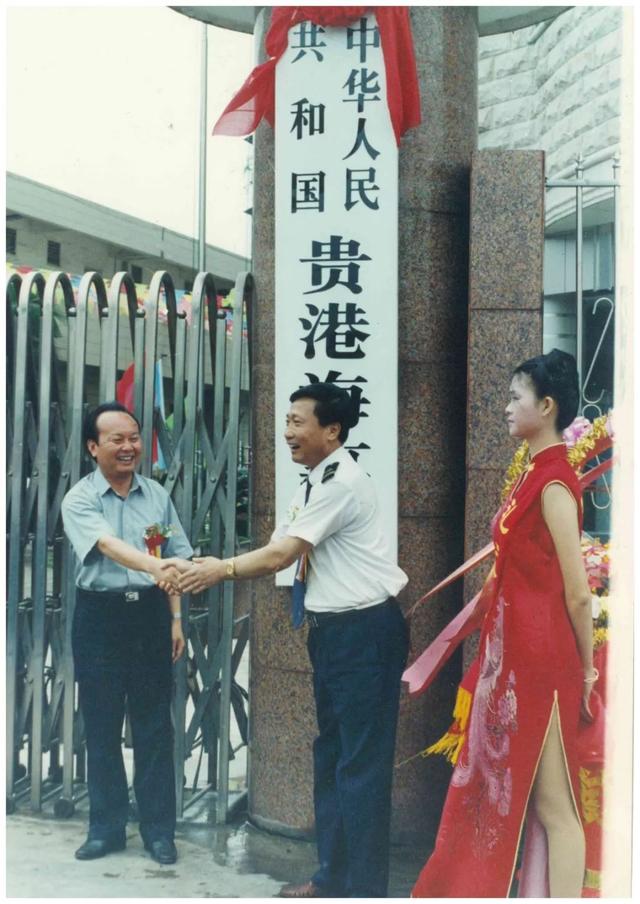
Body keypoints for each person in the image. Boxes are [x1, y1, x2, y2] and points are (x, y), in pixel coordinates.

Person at [163, 382, 410, 898]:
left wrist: (219, 570)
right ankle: (332, 879)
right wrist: (208, 566)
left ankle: (362, 891)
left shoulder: (341, 482)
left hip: (363, 634)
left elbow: (279, 557)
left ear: (332, 430)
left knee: (359, 769)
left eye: (299, 422)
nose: (288, 432)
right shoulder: (313, 481)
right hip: (335, 636)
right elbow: (279, 547)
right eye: (287, 421)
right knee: (332, 760)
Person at [411, 349, 595, 898]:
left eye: (517, 398)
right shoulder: (535, 474)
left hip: (542, 660)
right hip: (516, 654)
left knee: (556, 808)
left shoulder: (556, 481)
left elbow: (579, 593)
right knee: (538, 800)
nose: (507, 407)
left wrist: (585, 671)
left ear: (547, 405)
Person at [61, 402, 193, 864]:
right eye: (116, 439)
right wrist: (156, 564)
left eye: (134, 437)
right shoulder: (79, 499)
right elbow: (109, 547)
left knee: (156, 727)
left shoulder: (156, 495)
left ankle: (160, 831)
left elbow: (174, 557)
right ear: (93, 447)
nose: (128, 446)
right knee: (101, 725)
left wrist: (175, 619)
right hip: (100, 619)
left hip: (151, 617)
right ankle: (106, 828)